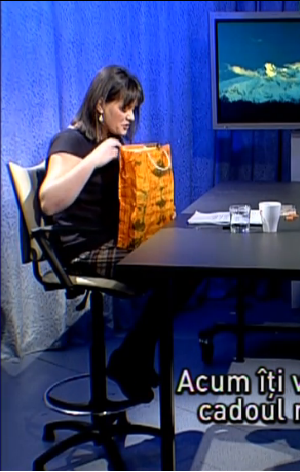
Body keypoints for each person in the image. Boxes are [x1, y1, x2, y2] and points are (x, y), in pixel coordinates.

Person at [39, 65, 202, 403]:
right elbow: (48, 200)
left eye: (133, 109)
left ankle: (134, 353)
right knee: (176, 268)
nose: (130, 117)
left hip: (112, 242)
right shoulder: (71, 141)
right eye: (123, 108)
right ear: (100, 105)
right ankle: (132, 357)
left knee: (192, 260)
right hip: (84, 251)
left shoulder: (112, 143)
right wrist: (93, 160)